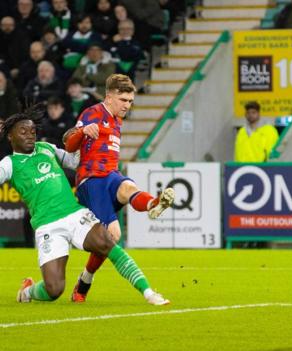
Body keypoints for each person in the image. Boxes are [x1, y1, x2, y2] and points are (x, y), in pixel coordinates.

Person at [3, 106, 169, 305]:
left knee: (109, 243)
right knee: (54, 289)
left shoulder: (46, 148)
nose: (30, 136)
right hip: (47, 225)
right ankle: (28, 292)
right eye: (23, 132)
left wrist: (82, 137)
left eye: (32, 132)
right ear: (10, 137)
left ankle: (149, 293)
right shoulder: (9, 164)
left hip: (74, 214)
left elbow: (74, 161)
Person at [63, 74, 175, 302]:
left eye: (130, 101)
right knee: (113, 235)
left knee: (127, 186)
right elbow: (69, 144)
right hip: (91, 180)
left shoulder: (117, 120)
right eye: (123, 100)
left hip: (111, 176)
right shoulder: (92, 113)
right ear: (109, 97)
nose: (127, 105)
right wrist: (83, 131)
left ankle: (153, 204)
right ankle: (85, 283)